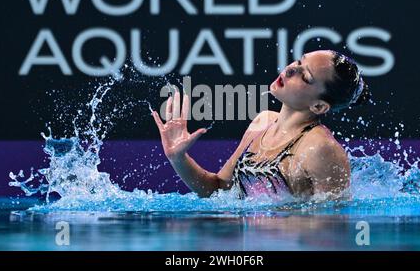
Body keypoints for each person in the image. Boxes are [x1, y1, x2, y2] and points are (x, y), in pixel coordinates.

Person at [152, 50, 371, 199]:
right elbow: (216, 189)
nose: (289, 70)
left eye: (305, 76)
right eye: (298, 61)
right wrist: (178, 158)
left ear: (319, 106)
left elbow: (331, 229)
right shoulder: (262, 122)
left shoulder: (321, 149)